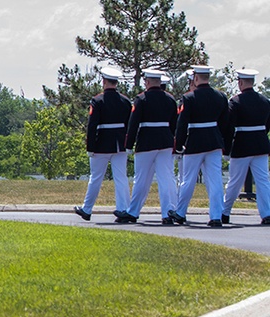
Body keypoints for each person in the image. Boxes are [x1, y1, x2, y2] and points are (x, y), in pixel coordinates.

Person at [169, 65, 230, 227]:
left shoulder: (189, 98)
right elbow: (226, 124)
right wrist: (222, 140)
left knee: (188, 180)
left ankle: (181, 213)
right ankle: (216, 215)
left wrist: (179, 144)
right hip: (214, 141)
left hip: (195, 142)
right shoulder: (221, 96)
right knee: (215, 180)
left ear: (196, 78)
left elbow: (182, 124)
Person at [119, 69, 178, 224]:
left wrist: (129, 144)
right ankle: (167, 212)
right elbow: (174, 124)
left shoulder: (141, 99)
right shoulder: (170, 99)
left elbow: (133, 123)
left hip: (146, 142)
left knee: (141, 180)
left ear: (148, 81)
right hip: (165, 142)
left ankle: (133, 212)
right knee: (165, 178)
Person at [75, 67, 132, 222]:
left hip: (101, 144)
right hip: (120, 144)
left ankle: (87, 209)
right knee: (121, 178)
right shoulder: (126, 101)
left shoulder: (98, 100)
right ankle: (123, 209)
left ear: (104, 82)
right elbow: (129, 124)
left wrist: (90, 147)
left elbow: (92, 125)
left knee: (96, 178)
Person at [221, 69, 270, 225]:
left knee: (234, 181)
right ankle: (267, 213)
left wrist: (227, 149)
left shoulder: (235, 102)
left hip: (242, 145)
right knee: (263, 181)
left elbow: (229, 127)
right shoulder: (265, 101)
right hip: (261, 145)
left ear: (240, 82)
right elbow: (267, 125)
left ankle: (225, 212)